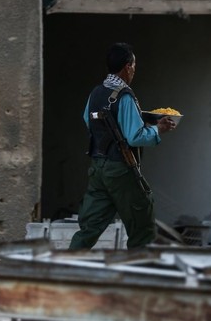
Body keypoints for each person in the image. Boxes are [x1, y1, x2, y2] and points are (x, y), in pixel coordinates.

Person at [69, 43, 176, 250]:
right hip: (120, 169)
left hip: (98, 168)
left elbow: (88, 120)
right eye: (134, 65)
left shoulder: (97, 92)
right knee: (142, 224)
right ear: (127, 67)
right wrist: (158, 129)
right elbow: (135, 137)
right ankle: (140, 266)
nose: (134, 70)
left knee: (89, 228)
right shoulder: (124, 95)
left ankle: (64, 264)